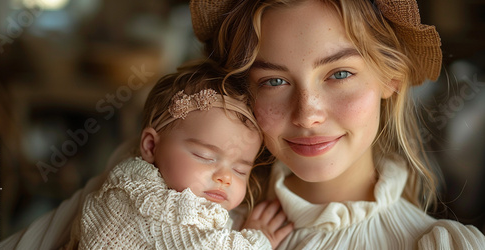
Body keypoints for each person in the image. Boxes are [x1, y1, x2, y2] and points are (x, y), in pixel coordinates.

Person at [189, 0, 485, 249]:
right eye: (274, 81)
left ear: (390, 76)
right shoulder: (199, 228)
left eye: (340, 74)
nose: (307, 115)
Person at [63, 62, 293, 249]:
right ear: (151, 146)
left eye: (240, 170)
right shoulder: (149, 204)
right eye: (205, 156)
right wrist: (258, 240)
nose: (226, 177)